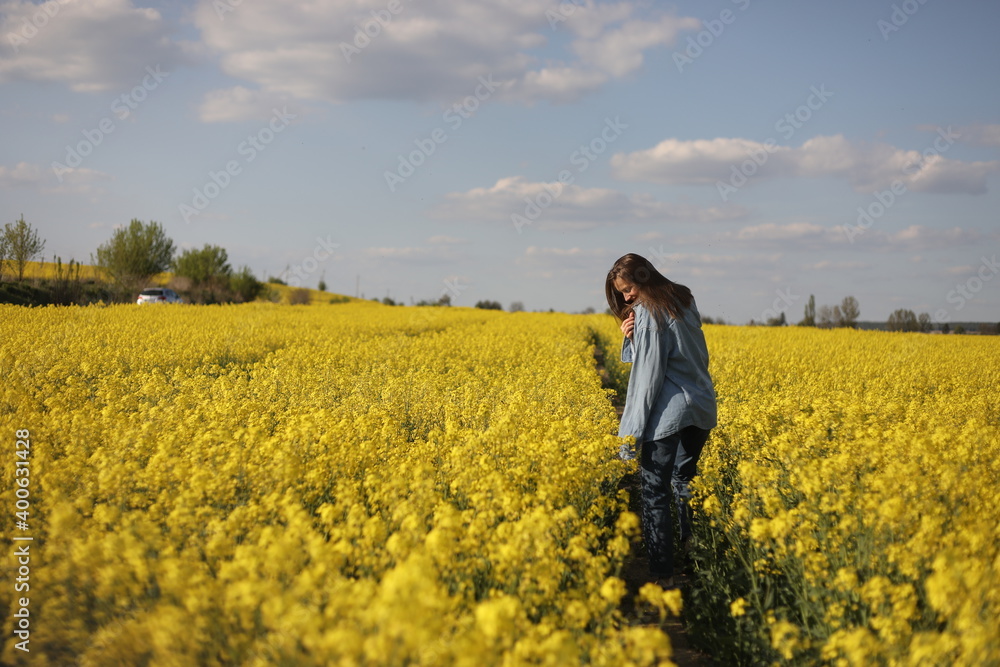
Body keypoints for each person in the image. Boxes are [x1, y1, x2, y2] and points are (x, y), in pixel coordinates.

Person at [605, 253, 717, 588]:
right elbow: (677, 353)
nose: (627, 298)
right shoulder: (682, 299)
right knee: (685, 485)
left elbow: (647, 379)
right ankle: (696, 564)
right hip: (701, 407)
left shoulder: (649, 314)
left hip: (671, 413)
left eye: (629, 289)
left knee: (654, 491)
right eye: (622, 293)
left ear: (645, 279)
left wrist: (630, 437)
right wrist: (631, 339)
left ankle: (662, 576)